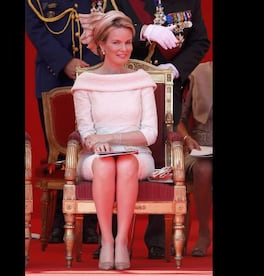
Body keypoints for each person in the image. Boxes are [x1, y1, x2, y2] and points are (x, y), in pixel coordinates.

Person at [91, 0, 211, 259]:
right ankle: (108, 240)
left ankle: (159, 240)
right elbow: (102, 28)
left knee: (162, 160)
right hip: (121, 86)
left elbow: (200, 41)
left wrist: (176, 68)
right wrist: (142, 29)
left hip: (166, 90)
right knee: (114, 157)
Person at [72, 10, 158, 270]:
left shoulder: (141, 80)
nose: (124, 49)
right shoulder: (85, 81)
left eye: (128, 42)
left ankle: (122, 241)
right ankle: (106, 241)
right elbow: (86, 132)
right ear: (101, 45)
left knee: (126, 164)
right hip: (96, 156)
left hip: (137, 153)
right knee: (106, 165)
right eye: (116, 43)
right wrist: (95, 142)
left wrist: (108, 137)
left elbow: (149, 134)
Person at [25, 0, 101, 244]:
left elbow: (110, 17)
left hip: (95, 73)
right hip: (53, 76)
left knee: (94, 149)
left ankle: (90, 222)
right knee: (58, 155)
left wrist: (94, 66)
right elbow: (34, 25)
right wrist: (64, 62)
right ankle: (59, 219)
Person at [177, 61, 213, 257]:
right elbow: (180, 121)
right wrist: (186, 138)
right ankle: (204, 233)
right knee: (203, 168)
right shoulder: (199, 73)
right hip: (200, 145)